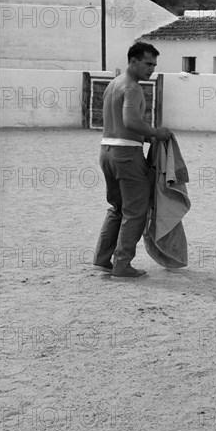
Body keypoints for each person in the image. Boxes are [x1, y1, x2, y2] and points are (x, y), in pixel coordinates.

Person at [93, 42, 171, 277]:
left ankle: (102, 259)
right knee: (135, 211)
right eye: (148, 64)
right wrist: (155, 133)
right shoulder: (133, 87)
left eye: (154, 65)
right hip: (127, 156)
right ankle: (122, 264)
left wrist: (143, 137)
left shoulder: (113, 84)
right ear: (133, 61)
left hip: (106, 152)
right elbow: (130, 121)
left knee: (117, 208)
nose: (152, 69)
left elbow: (119, 124)